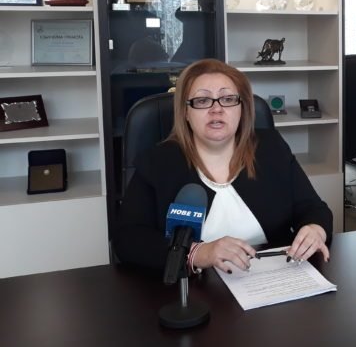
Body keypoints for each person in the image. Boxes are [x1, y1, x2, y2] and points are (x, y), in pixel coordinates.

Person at [113, 58, 333, 272]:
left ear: (242, 108)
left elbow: (314, 209)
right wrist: (197, 253)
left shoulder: (271, 148)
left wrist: (316, 230)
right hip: (194, 289)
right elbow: (127, 239)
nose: (216, 109)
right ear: (185, 112)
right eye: (202, 101)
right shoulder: (158, 161)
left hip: (273, 280)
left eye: (227, 99)